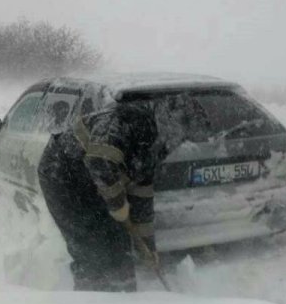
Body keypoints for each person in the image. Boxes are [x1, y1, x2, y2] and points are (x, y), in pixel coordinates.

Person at [37, 94, 185, 291]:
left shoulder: (153, 149)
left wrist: (148, 249)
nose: (177, 140)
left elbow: (142, 201)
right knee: (90, 245)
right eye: (177, 131)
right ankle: (93, 302)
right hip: (62, 175)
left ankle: (125, 296)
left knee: (119, 242)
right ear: (166, 120)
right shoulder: (125, 122)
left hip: (93, 182)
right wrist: (118, 204)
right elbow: (98, 161)